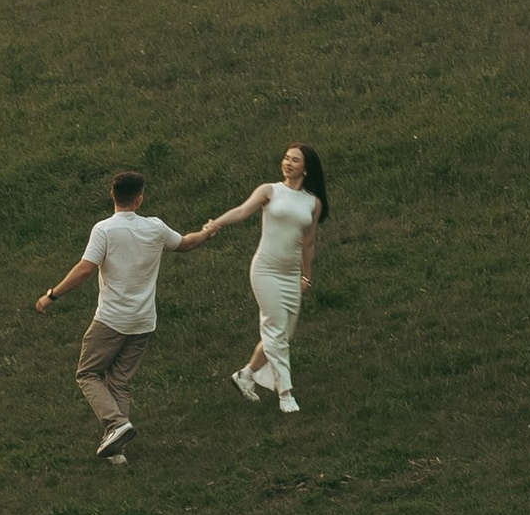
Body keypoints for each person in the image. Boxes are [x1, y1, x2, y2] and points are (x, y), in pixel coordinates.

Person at [35, 171, 212, 459]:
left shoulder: (104, 230)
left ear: (111, 194)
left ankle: (116, 424)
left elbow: (85, 269)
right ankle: (118, 450)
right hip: (143, 322)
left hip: (112, 320)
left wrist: (52, 295)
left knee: (88, 373)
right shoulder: (155, 227)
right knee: (120, 382)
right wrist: (207, 232)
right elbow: (186, 243)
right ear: (139, 199)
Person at [198, 144, 327, 415]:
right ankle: (285, 393)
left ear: (306, 168)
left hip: (291, 274)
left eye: (295, 160)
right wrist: (215, 224)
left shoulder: (312, 202)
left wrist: (307, 276)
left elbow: (309, 241)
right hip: (265, 270)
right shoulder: (269, 190)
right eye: (286, 158)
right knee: (275, 331)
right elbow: (242, 211)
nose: (288, 163)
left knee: (282, 334)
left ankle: (245, 375)